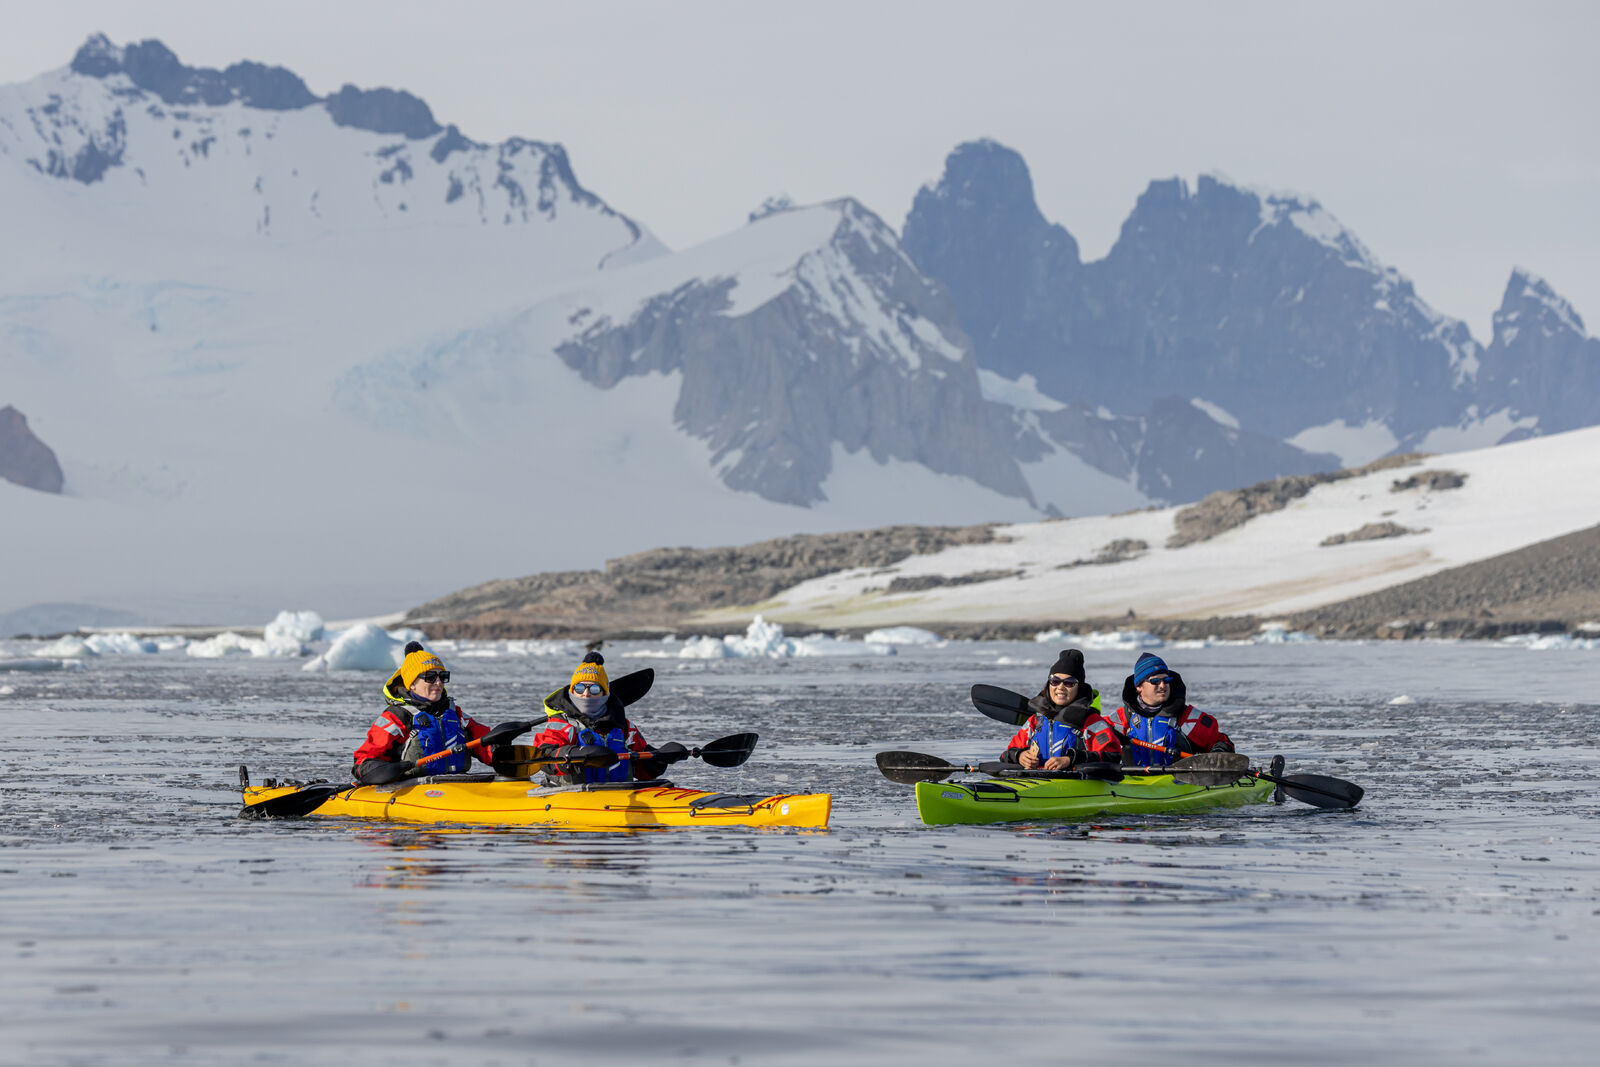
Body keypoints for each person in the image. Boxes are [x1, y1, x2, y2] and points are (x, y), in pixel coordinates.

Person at [352, 642, 502, 784]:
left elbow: (484, 744)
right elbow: (363, 760)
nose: (438, 682)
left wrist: (501, 752)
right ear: (412, 684)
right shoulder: (397, 717)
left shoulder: (456, 714)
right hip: (412, 789)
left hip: (456, 785)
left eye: (443, 676)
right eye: (430, 677)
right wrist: (375, 770)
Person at [530, 652, 673, 783]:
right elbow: (544, 756)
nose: (586, 694)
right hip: (572, 796)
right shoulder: (562, 724)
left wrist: (659, 758)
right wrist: (574, 755)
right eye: (579, 688)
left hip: (618, 795)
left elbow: (644, 770)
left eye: (594, 689)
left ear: (604, 693)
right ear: (572, 691)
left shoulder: (623, 726)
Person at [1101, 652, 1235, 768]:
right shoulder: (1120, 719)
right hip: (1132, 786)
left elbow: (1222, 741)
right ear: (1139, 686)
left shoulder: (1188, 718)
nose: (1163, 685)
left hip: (1179, 785)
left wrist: (1220, 749)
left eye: (1166, 680)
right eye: (1155, 681)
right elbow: (1094, 740)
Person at [1001, 649, 1122, 769]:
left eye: (1069, 683)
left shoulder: (1092, 721)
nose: (1060, 687)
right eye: (1055, 681)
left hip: (1078, 783)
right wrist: (1019, 756)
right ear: (1049, 684)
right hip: (1038, 781)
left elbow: (1113, 756)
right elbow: (1005, 755)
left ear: (1079, 687)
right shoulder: (1036, 721)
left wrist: (1070, 760)